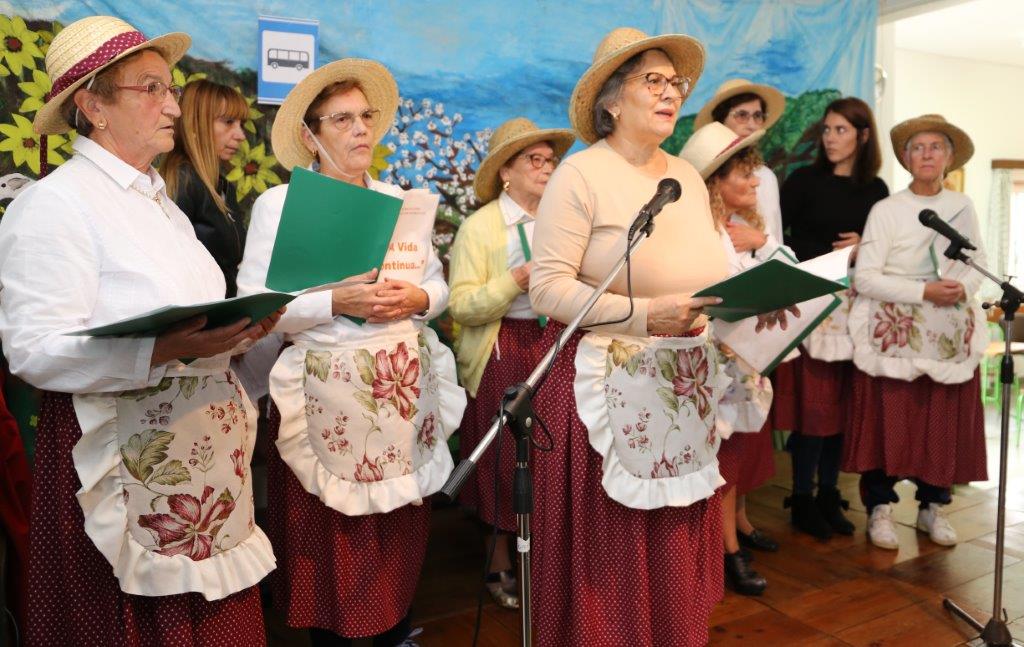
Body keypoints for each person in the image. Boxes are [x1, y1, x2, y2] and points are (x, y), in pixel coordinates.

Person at [0, 16, 281, 646]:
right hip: (128, 467)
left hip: (204, 468)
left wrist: (242, 331)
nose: (174, 106)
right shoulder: (54, 205)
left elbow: (193, 320)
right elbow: (33, 351)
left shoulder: (159, 205)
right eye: (152, 88)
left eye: (170, 89)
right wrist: (163, 348)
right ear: (93, 106)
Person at [528, 27, 793, 646]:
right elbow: (547, 290)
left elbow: (706, 280)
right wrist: (646, 315)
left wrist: (756, 302)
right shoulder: (580, 174)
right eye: (653, 80)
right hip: (605, 382)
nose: (671, 92)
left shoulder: (688, 178)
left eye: (676, 82)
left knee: (675, 539)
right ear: (611, 99)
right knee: (616, 549)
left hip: (684, 382)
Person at [236, 58, 465, 646]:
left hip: (401, 390)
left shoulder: (399, 200)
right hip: (326, 393)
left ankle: (396, 629)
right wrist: (336, 301)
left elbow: (436, 286)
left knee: (399, 525)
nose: (361, 128)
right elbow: (256, 305)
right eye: (342, 119)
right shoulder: (281, 204)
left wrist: (418, 296)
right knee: (334, 534)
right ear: (309, 133)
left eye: (366, 116)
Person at [844, 114, 987, 550]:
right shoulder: (887, 210)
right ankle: (880, 508)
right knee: (890, 418)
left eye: (935, 147)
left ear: (949, 157)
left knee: (939, 418)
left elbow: (977, 264)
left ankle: (933, 507)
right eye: (918, 147)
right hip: (895, 328)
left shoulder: (962, 206)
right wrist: (923, 291)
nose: (927, 155)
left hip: (946, 329)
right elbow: (866, 277)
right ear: (906, 159)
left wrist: (963, 287)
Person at [448, 117, 574, 609]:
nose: (546, 169)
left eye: (550, 160)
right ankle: (499, 561)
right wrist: (515, 281)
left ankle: (543, 564)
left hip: (553, 344)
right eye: (533, 160)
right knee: (502, 460)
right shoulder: (480, 227)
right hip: (503, 349)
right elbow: (461, 306)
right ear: (505, 172)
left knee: (549, 458)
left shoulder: (561, 220)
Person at [680, 122, 789, 596]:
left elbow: (781, 265)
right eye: (744, 174)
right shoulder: (700, 233)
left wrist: (763, 251)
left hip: (739, 359)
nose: (755, 182)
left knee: (731, 463)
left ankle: (725, 545)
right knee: (717, 462)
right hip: (709, 361)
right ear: (716, 182)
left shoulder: (738, 230)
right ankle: (723, 552)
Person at [777, 97, 889, 540]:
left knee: (843, 405)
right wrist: (827, 255)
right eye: (826, 129)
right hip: (812, 303)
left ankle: (828, 493)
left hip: (856, 307)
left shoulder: (876, 190)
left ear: (863, 135)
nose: (830, 138)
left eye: (840, 130)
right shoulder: (803, 181)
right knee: (813, 406)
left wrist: (865, 246)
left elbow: (885, 248)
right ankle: (802, 497)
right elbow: (778, 240)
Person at [161, 80, 250, 297]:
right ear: (195, 124)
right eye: (228, 122)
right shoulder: (182, 181)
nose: (240, 135)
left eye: (241, 124)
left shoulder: (223, 186)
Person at [695, 78, 786, 244]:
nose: (751, 125)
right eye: (742, 115)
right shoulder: (698, 172)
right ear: (720, 121)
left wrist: (761, 242)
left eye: (758, 116)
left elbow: (775, 236)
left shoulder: (766, 177)